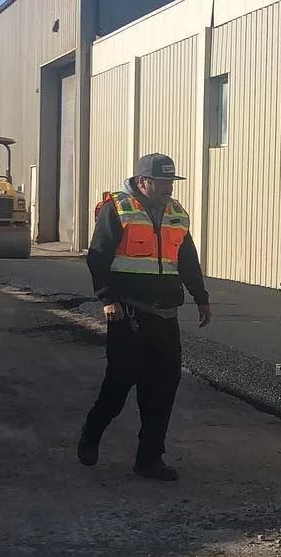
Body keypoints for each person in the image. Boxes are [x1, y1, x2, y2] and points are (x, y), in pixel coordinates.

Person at [78, 153, 211, 481]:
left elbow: (188, 261)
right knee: (119, 386)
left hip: (166, 318)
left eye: (171, 181)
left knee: (162, 391)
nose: (168, 187)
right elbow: (97, 257)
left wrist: (201, 298)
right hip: (129, 317)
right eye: (162, 181)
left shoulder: (176, 214)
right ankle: (92, 434)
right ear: (142, 182)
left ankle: (149, 459)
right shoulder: (118, 209)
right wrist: (107, 299)